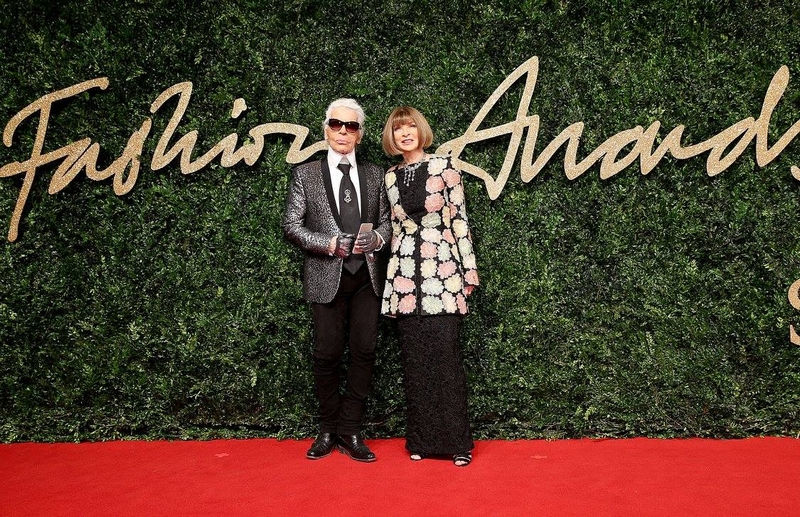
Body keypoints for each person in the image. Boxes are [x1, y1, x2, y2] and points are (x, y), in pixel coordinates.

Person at [283, 98, 390, 462]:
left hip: (367, 279)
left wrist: (377, 239)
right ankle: (328, 428)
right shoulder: (305, 174)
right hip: (325, 276)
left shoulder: (376, 174)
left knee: (365, 351)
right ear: (326, 129)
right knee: (326, 353)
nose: (343, 131)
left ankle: (351, 428)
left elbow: (388, 223)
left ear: (360, 134)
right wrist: (327, 244)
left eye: (351, 126)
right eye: (336, 124)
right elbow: (291, 226)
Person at [380, 106, 479, 466]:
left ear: (421, 130)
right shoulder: (391, 177)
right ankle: (420, 440)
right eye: (398, 129)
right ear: (391, 137)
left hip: (444, 273)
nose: (405, 133)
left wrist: (468, 271)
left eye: (410, 126)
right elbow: (394, 230)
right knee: (415, 363)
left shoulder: (445, 166)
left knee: (446, 359)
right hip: (406, 277)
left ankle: (458, 444)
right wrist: (391, 284)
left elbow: (459, 220)